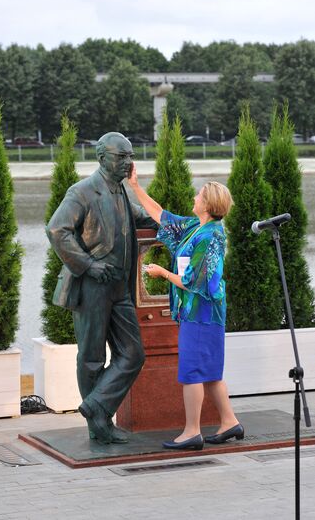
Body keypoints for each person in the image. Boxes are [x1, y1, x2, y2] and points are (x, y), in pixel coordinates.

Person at [46, 132, 157, 445]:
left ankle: (95, 406)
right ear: (102, 157)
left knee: (133, 353)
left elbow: (141, 217)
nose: (128, 162)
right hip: (91, 284)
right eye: (121, 156)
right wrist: (88, 264)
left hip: (119, 287)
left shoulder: (120, 190)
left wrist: (176, 223)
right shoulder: (82, 191)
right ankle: (100, 425)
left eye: (130, 156)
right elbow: (57, 230)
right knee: (92, 357)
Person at [128, 166, 244, 450]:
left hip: (201, 315)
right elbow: (162, 217)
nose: (195, 196)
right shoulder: (197, 228)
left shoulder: (210, 237)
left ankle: (192, 432)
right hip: (203, 315)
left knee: (193, 372)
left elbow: (195, 282)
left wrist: (162, 273)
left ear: (208, 205)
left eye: (200, 195)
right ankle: (229, 422)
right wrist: (135, 186)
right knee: (210, 372)